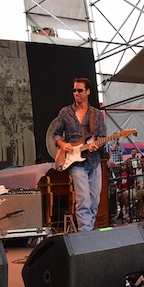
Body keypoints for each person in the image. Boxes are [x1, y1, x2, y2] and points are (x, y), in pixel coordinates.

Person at [52, 77, 106, 232]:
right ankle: (86, 234)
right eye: (74, 90)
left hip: (93, 161)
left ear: (87, 92)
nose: (76, 93)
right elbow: (56, 134)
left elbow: (102, 136)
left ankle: (88, 230)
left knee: (94, 201)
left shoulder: (95, 113)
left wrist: (97, 144)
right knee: (83, 200)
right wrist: (63, 144)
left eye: (80, 90)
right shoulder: (65, 112)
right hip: (75, 163)